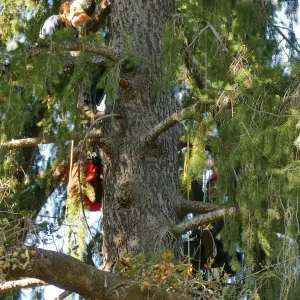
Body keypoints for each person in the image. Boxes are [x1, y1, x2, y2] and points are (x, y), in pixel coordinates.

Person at [40, 0, 105, 114]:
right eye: (83, 18)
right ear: (74, 10)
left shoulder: (73, 32)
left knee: (102, 63)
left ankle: (92, 106)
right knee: (89, 61)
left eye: (85, 21)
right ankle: (86, 105)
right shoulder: (54, 21)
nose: (83, 23)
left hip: (66, 72)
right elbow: (47, 52)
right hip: (52, 75)